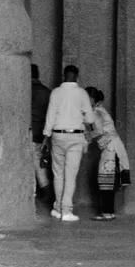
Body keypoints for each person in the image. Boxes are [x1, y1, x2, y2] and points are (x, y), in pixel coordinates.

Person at [41, 64, 93, 222]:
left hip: (57, 136)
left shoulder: (56, 92)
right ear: (77, 76)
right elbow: (90, 119)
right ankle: (67, 210)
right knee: (70, 175)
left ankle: (57, 208)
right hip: (75, 137)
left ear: (64, 76)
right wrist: (81, 118)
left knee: (58, 174)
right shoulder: (82, 93)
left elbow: (50, 116)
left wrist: (46, 136)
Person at [84, 87, 131, 220]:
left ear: (92, 99)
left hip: (110, 147)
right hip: (111, 146)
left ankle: (107, 213)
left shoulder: (97, 111)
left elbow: (98, 130)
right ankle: (108, 212)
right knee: (107, 181)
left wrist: (87, 136)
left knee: (105, 180)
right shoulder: (99, 110)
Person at [30, 63, 52, 201]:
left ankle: (45, 188)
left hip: (29, 132)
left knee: (34, 163)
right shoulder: (47, 92)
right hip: (42, 133)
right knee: (38, 161)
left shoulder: (24, 91)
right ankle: (45, 187)